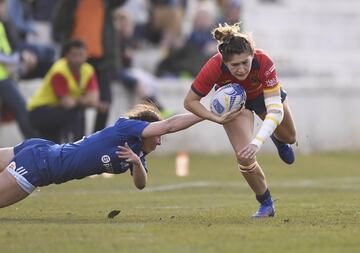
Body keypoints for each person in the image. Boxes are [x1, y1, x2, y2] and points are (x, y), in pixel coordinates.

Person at [0, 102, 221, 208]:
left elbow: (141, 185)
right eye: (157, 135)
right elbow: (170, 125)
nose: (160, 140)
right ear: (146, 129)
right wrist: (208, 114)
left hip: (40, 149)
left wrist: (136, 163)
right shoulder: (125, 127)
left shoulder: (135, 151)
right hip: (40, 166)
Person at [183, 23, 297, 217]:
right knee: (244, 157)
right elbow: (190, 102)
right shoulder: (214, 66)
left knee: (290, 137)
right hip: (235, 105)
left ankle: (278, 139)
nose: (242, 69)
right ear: (225, 63)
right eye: (234, 65)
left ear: (253, 55)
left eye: (246, 62)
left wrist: (257, 141)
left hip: (262, 95)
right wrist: (216, 118)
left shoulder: (263, 61)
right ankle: (266, 202)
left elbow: (275, 111)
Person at [52, 0, 127, 132]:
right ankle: (78, 143)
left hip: (101, 60)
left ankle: (95, 139)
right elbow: (57, 26)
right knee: (76, 105)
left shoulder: (106, 3)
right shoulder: (70, 3)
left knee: (106, 102)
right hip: (76, 60)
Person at [27, 39, 100, 143]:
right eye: (74, 55)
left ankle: (76, 146)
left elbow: (93, 100)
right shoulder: (59, 71)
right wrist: (83, 100)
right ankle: (77, 146)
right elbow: (67, 104)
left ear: (86, 55)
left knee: (51, 146)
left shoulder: (88, 70)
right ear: (66, 55)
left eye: (81, 55)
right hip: (39, 111)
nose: (78, 59)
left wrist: (78, 101)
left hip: (56, 110)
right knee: (75, 113)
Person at [0, 0, 39, 139]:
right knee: (22, 110)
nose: (4, 8)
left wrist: (20, 65)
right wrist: (21, 58)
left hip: (6, 76)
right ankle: (35, 148)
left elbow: (7, 52)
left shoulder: (2, 24)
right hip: (2, 79)